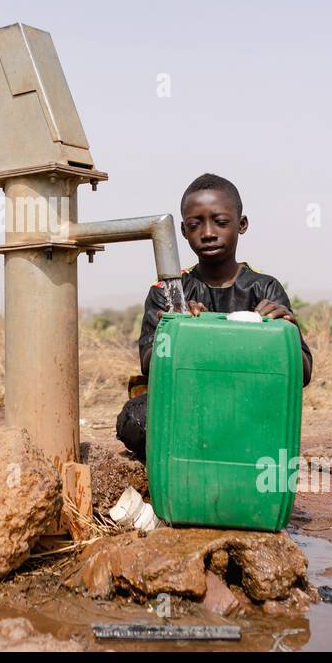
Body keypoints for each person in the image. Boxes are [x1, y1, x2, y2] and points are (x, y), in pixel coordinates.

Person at [116, 172, 313, 461]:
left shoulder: (265, 288)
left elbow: (303, 374)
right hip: (188, 405)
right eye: (195, 225)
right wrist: (178, 328)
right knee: (136, 419)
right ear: (183, 231)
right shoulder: (170, 291)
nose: (208, 233)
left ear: (242, 224)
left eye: (220, 222)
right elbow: (149, 366)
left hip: (246, 404)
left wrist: (287, 333)